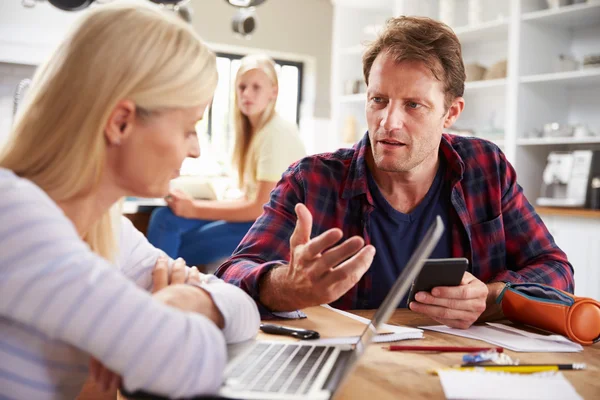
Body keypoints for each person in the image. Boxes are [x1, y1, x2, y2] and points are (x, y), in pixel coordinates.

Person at [216, 16, 574, 330]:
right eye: (378, 100)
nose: (388, 122)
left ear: (451, 114)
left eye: (413, 105)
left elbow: (556, 271)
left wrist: (492, 297)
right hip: (352, 372)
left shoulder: (486, 168)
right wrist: (286, 286)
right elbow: (230, 279)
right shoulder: (311, 180)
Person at [0, 2, 260, 399]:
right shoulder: (12, 213)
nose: (195, 149)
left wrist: (178, 298)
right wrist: (161, 327)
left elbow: (242, 310)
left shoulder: (108, 229)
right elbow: (191, 364)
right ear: (121, 122)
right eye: (189, 128)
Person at [146, 54, 306, 267]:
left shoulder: (276, 132)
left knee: (175, 238)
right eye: (242, 87)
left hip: (271, 230)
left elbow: (260, 207)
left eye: (256, 87)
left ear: (273, 92)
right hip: (256, 221)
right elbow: (252, 199)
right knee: (165, 218)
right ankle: (155, 284)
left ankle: (157, 287)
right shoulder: (257, 132)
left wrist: (193, 208)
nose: (247, 93)